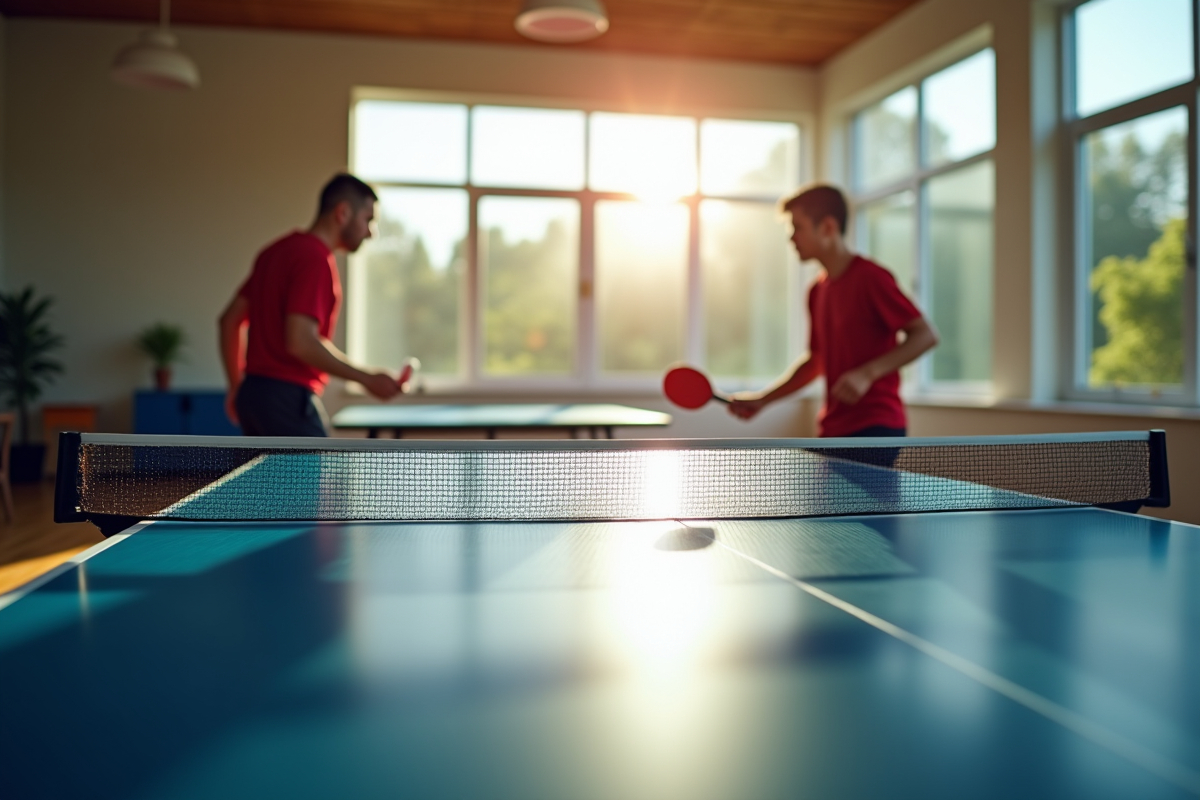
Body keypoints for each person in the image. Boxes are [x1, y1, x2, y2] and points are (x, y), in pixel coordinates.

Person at [729, 184, 938, 438]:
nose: (791, 238)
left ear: (827, 227)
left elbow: (925, 335)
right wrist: (763, 400)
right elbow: (816, 361)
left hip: (876, 427)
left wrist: (867, 373)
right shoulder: (816, 291)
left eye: (798, 227)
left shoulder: (871, 278)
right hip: (833, 429)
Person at [219, 173, 401, 436]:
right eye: (368, 219)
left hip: (254, 397)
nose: (371, 232)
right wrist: (366, 378)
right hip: (287, 401)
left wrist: (236, 387)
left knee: (265, 479)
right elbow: (301, 342)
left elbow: (228, 321)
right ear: (343, 213)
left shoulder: (272, 253)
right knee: (311, 478)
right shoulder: (315, 259)